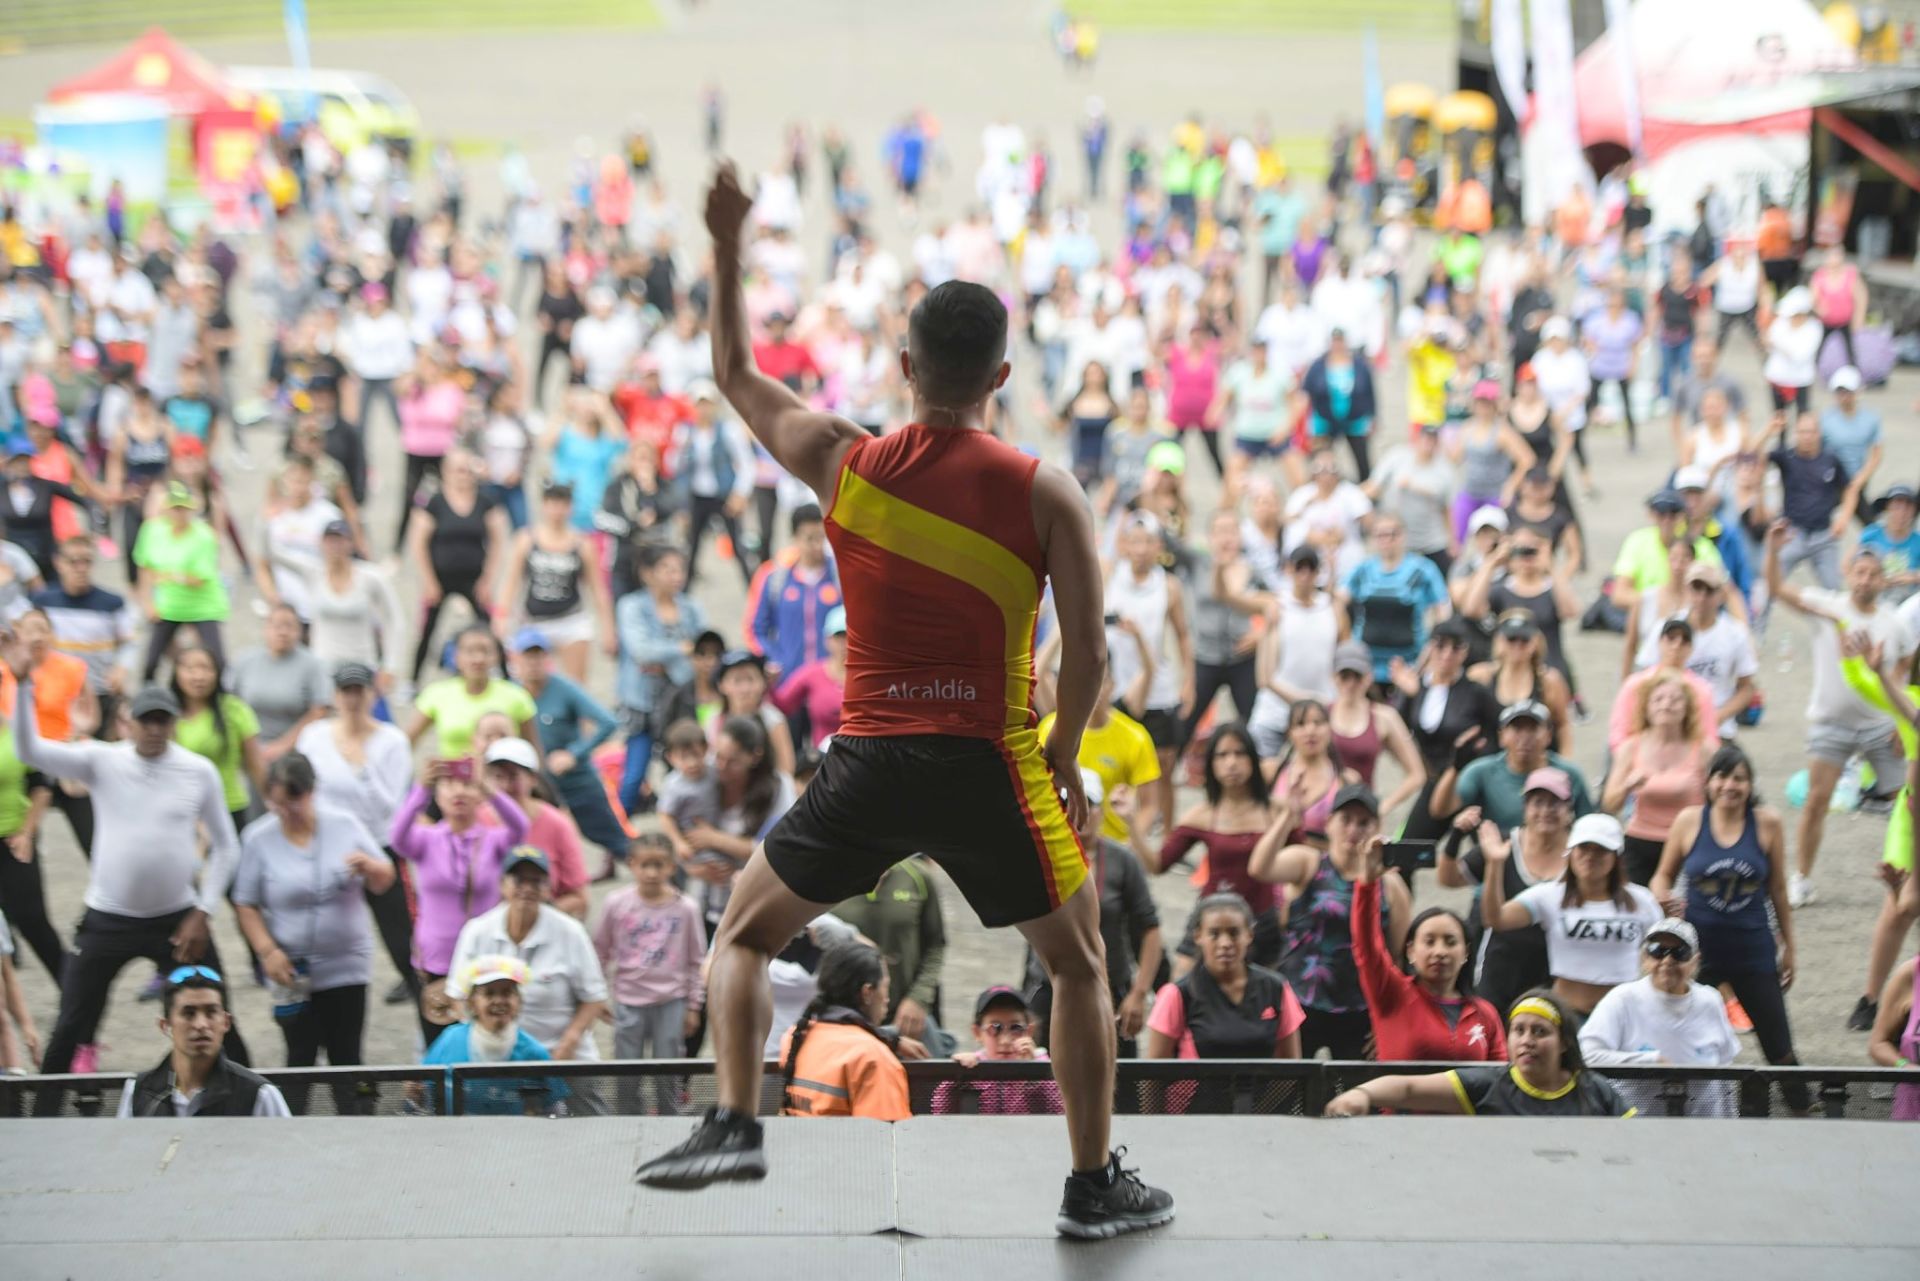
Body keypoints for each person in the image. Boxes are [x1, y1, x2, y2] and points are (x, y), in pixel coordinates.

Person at [640, 172, 1173, 1239]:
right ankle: (1089, 1185)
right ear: (1003, 376)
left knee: (741, 938)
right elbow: (1091, 657)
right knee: (1077, 964)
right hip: (992, 762)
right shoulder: (1045, 490)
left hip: (871, 762)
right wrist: (1064, 756)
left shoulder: (848, 465)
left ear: (905, 367)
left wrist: (727, 241)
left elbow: (737, 373)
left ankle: (738, 1119)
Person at [6, 661, 246, 1109]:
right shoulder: (102, 759)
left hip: (178, 920)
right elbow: (28, 749)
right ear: (127, 722)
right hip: (107, 919)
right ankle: (41, 1118)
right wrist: (21, 684)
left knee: (218, 1012)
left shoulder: (198, 771)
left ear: (174, 723)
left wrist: (204, 911)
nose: (154, 729)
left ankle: (246, 1109)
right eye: (146, 720)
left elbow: (228, 848)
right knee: (71, 1023)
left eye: (162, 720)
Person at [232, 752, 392, 1115]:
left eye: (295, 801)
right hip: (292, 969)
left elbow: (385, 879)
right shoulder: (258, 838)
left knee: (347, 1054)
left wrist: (369, 867)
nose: (287, 811)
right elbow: (245, 902)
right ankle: (291, 1127)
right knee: (299, 1056)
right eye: (278, 803)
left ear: (312, 792)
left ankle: (357, 1125)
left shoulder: (345, 824)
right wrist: (267, 950)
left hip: (347, 963)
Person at [1651, 744, 1806, 1109]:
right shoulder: (1690, 821)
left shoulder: (1767, 823)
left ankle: (1806, 1110)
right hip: (1696, 954)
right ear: (1708, 782)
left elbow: (1779, 889)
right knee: (1686, 1036)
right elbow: (1663, 875)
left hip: (1753, 950)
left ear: (1750, 785)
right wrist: (1661, 898)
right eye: (1722, 776)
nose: (1730, 786)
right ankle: (1680, 1108)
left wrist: (1790, 946)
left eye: (1739, 778)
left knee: (1778, 1044)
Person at [1763, 521, 1909, 905]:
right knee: (1816, 800)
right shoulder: (1829, 607)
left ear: (1883, 581)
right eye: (1859, 573)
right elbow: (1778, 589)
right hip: (1831, 722)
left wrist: (1902, 721)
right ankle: (1801, 877)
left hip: (1880, 724)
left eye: (1873, 574)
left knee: (1908, 803)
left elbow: (1904, 667)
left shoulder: (1893, 622)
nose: (1865, 580)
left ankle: (1912, 878)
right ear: (1848, 575)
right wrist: (1773, 551)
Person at [1252, 782, 1408, 1058]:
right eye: (1345, 820)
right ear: (1329, 824)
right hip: (1300, 1000)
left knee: (1353, 1094)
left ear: (1377, 828)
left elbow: (1397, 956)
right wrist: (1287, 819)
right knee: (1287, 1091)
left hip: (1358, 1007)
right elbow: (1260, 868)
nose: (1353, 830)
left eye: (1363, 822)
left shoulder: (1391, 886)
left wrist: (1389, 1017)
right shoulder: (1308, 863)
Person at [295, 662, 416, 1007]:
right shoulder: (314, 736)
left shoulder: (392, 741)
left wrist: (362, 768)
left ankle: (412, 979)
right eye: (345, 691)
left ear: (372, 693)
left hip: (379, 846)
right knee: (322, 927)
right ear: (335, 695)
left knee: (399, 930)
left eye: (359, 691)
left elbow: (388, 805)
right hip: (327, 845)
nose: (352, 699)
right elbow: (305, 790)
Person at [387, 756, 531, 1042]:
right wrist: (421, 789)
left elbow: (520, 827)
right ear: (438, 796)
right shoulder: (426, 840)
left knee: (490, 1038)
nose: (459, 792)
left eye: (466, 784)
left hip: (485, 958)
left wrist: (490, 790)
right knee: (439, 1043)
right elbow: (397, 838)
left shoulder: (493, 840)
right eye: (449, 785)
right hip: (436, 960)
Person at [1321, 989, 1634, 1117]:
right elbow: (1407, 1088)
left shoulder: (1596, 1091)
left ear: (1564, 1041)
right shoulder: (1489, 1085)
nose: (1527, 1041)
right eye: (1519, 1031)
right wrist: (1360, 1094)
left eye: (1540, 1032)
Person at [1022, 770, 1160, 1056]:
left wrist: (1139, 993)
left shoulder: (1122, 861)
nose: (1077, 811)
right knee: (1043, 1077)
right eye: (1068, 803)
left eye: (1086, 803)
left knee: (1117, 1078)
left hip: (1111, 986)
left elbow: (1149, 928)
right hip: (1049, 986)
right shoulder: (1042, 854)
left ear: (1099, 811)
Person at [1479, 813, 1662, 1015]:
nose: (1590, 856)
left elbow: (1662, 951)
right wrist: (1494, 864)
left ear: (1616, 857)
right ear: (1570, 852)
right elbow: (1496, 919)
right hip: (1568, 1016)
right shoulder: (1549, 895)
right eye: (1583, 848)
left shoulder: (1643, 901)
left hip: (1626, 1015)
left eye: (1601, 850)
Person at [1350, 827, 1505, 1063]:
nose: (1439, 951)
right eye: (1429, 941)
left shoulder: (1485, 1014)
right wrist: (1368, 883)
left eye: (1450, 942)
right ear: (1411, 951)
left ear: (1466, 952)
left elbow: (1498, 1082)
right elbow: (1366, 946)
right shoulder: (1392, 994)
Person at [447, 847, 609, 1062]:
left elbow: (594, 999)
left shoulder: (570, 932)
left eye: (536, 881)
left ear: (548, 889)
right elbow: (457, 995)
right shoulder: (477, 931)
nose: (527, 888)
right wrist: (486, 1038)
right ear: (502, 884)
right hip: (495, 1057)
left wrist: (567, 1045)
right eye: (519, 880)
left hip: (560, 1054)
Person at [1144, 892, 1304, 1109]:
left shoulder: (1276, 988)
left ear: (1249, 934)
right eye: (1214, 934)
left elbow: (1291, 1067)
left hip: (1263, 1118)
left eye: (1234, 933)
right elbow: (1153, 1074)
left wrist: (1266, 1114)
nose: (1225, 943)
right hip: (1194, 1117)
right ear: (1198, 936)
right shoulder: (1178, 994)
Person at [1579, 918, 1740, 1117]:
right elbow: (1587, 1056)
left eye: (1679, 953)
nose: (1667, 961)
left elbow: (1726, 1071)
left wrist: (1730, 1125)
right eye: (1657, 951)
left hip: (1701, 1129)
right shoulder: (1622, 999)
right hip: (1634, 1126)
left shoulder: (1711, 1001)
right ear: (1644, 958)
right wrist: (1650, 1062)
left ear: (1695, 961)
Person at [595, 832, 706, 1114]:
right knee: (627, 1070)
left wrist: (694, 1005)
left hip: (672, 1001)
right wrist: (597, 996)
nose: (652, 873)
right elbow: (600, 951)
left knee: (668, 1071)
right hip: (628, 1000)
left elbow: (696, 960)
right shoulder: (616, 903)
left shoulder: (686, 908)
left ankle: (669, 1124)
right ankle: (627, 1120)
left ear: (672, 866)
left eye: (660, 865)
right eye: (645, 865)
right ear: (632, 865)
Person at [507, 628, 627, 871]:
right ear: (515, 660)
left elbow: (608, 722)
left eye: (539, 656)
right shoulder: (511, 693)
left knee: (613, 838)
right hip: (536, 787)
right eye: (527, 656)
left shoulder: (563, 688)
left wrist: (574, 753)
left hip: (576, 781)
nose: (533, 663)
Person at [1106, 509, 1193, 828]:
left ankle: (1169, 835)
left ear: (1158, 546)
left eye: (1148, 542)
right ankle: (1122, 830)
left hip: (1159, 688)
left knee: (1165, 764)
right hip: (1117, 686)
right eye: (1135, 541)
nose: (1141, 549)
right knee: (1121, 762)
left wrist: (1189, 682)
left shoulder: (1168, 586)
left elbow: (1183, 635)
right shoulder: (1110, 575)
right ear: (1125, 544)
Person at [116, 968, 289, 1119]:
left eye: (211, 1012)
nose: (201, 1025)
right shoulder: (138, 1092)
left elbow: (289, 1153)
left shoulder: (258, 1095)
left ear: (226, 1022)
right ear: (165, 1025)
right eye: (189, 1013)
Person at [1390, 617, 1500, 842]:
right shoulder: (1418, 688)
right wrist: (1407, 694)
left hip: (1469, 783)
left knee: (1486, 850)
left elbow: (1498, 732)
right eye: (1440, 646)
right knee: (1404, 851)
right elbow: (1398, 732)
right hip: (1435, 780)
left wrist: (1480, 759)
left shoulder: (1475, 692)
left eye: (1456, 647)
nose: (1447, 654)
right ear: (1430, 648)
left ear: (1465, 652)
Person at [497, 481, 615, 685]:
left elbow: (598, 588)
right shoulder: (526, 539)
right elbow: (512, 582)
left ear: (570, 507)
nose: (557, 511)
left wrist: (608, 627)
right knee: (528, 682)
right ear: (544, 505)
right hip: (534, 620)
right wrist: (501, 617)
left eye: (563, 504)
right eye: (553, 504)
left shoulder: (583, 543)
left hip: (571, 620)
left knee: (575, 684)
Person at [421, 954, 570, 1116]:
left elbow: (556, 1109)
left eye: (507, 993)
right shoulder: (450, 1040)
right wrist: (415, 1095)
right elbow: (423, 1092)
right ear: (472, 1003)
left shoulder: (533, 1053)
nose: (499, 1001)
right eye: (489, 994)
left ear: (519, 1002)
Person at [408, 448, 509, 683]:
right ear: (445, 472)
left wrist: (488, 579)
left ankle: (505, 675)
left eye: (466, 470)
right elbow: (418, 543)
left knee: (489, 627)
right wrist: (428, 580)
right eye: (457, 470)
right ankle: (413, 679)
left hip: (474, 577)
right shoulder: (435, 502)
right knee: (427, 630)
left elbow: (497, 541)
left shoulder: (485, 501)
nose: (462, 475)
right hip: (440, 576)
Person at [830, 855, 948, 1051]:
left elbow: (936, 945)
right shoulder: (827, 874)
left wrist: (918, 998)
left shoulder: (917, 876)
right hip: (846, 1019)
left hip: (905, 1018)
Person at [1602, 671, 1710, 885]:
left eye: (1675, 699)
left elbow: (1718, 802)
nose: (1666, 705)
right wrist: (1627, 787)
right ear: (1646, 708)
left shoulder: (1704, 750)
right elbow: (1609, 804)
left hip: (1689, 842)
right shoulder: (1630, 747)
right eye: (1658, 699)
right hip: (1640, 840)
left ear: (1687, 708)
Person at [1431, 699, 1592, 833]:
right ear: (1501, 736)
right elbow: (1441, 810)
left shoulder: (1568, 774)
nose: (1525, 737)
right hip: (1497, 856)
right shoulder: (1481, 771)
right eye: (1517, 729)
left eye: (1532, 729)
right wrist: (1455, 768)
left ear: (1548, 735)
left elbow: (1587, 825)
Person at [482, 737, 590, 918]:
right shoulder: (477, 820)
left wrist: (533, 915)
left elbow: (579, 897)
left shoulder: (557, 824)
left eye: (514, 776)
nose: (506, 786)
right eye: (498, 777)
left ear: (532, 779)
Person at [133, 481, 228, 680]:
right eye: (175, 508)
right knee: (151, 662)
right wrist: (148, 602)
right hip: (169, 605)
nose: (179, 513)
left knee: (219, 661)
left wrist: (167, 576)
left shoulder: (203, 535)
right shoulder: (152, 530)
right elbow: (145, 567)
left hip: (202, 606)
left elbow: (199, 578)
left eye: (183, 508)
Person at [1343, 514, 1450, 684]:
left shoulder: (1422, 570)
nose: (1386, 540)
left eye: (1392, 534)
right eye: (1380, 535)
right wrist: (1347, 642)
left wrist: (1427, 658)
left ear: (1403, 535)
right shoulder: (1363, 570)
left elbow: (1443, 612)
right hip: (1365, 669)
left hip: (1410, 666)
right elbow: (1338, 601)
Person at [406, 626, 538, 759]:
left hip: (500, 776)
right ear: (456, 656)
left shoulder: (516, 696)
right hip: (452, 778)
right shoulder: (436, 694)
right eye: (470, 651)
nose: (478, 658)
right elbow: (407, 743)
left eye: (485, 651)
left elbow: (533, 749)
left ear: (497, 656)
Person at [170, 646, 263, 836]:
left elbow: (256, 765)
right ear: (176, 672)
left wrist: (274, 804)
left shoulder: (233, 709)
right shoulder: (166, 714)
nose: (199, 676)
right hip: (179, 812)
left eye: (206, 668)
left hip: (228, 808)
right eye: (190, 669)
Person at [934, 985, 1064, 1114]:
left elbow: (1058, 1112)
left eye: (1016, 1028)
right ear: (977, 1033)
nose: (1005, 1040)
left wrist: (1032, 1076)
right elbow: (941, 1113)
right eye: (994, 1028)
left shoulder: (1043, 1065)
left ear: (1029, 1031)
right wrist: (957, 1077)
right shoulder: (972, 1065)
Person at [1327, 642, 1424, 812]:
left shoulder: (1384, 716)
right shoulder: (1321, 713)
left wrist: (1383, 806)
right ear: (1334, 677)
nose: (1350, 683)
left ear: (1368, 677)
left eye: (1357, 676)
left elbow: (1417, 774)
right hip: (1323, 810)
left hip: (1360, 812)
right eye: (1344, 676)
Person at [228, 604, 330, 765]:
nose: (282, 632)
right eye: (276, 626)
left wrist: (283, 746)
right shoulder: (245, 660)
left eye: (289, 626)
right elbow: (229, 702)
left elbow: (319, 711)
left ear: (300, 631)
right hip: (248, 746)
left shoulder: (313, 665)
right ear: (265, 628)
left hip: (295, 750)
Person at [1767, 414, 1855, 594]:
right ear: (1796, 434)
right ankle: (1754, 621)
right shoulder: (1786, 457)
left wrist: (1844, 517)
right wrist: (1769, 431)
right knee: (1768, 584)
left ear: (1819, 433)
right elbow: (1751, 457)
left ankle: (1840, 623)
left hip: (1823, 535)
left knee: (1834, 592)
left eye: (1811, 432)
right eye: (1802, 432)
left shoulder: (1830, 459)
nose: (1807, 437)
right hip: (1792, 533)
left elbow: (1850, 488)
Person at [1365, 424, 1455, 575]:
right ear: (1417, 439)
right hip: (1400, 538)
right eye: (1425, 439)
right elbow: (1374, 486)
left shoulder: (1444, 470)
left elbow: (1446, 508)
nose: (1428, 444)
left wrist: (1452, 539)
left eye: (1432, 440)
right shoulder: (1397, 457)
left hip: (1432, 538)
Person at [1300, 328, 1375, 480]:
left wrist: (1372, 417)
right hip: (1325, 419)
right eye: (1335, 341)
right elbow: (1306, 393)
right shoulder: (1318, 366)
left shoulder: (1359, 365)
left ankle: (1365, 492)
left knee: (1362, 461)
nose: (1338, 345)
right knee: (1320, 461)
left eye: (1340, 341)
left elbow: (1370, 392)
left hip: (1354, 419)